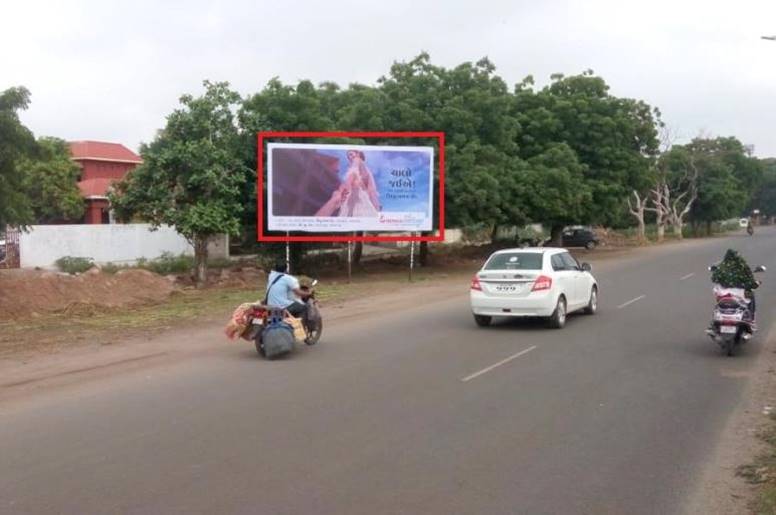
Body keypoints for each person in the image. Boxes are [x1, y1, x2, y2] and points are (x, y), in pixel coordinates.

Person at [711, 248, 759, 319]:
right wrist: (755, 284)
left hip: (723, 293)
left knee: (717, 299)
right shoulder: (742, 266)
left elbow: (714, 278)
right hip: (740, 293)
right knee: (751, 296)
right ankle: (751, 318)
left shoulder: (722, 266)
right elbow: (750, 281)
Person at [338, 150, 381, 217]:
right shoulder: (363, 166)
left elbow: (353, 173)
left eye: (351, 154)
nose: (350, 157)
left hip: (356, 195)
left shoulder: (357, 160)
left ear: (357, 154)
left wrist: (345, 186)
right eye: (348, 156)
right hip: (358, 194)